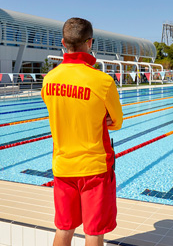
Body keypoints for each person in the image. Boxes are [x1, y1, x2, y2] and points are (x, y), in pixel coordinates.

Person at [41, 17, 123, 246]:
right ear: (90, 42)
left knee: (64, 229)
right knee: (93, 233)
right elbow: (116, 122)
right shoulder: (102, 81)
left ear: (63, 43)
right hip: (94, 168)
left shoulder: (49, 79)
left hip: (63, 165)